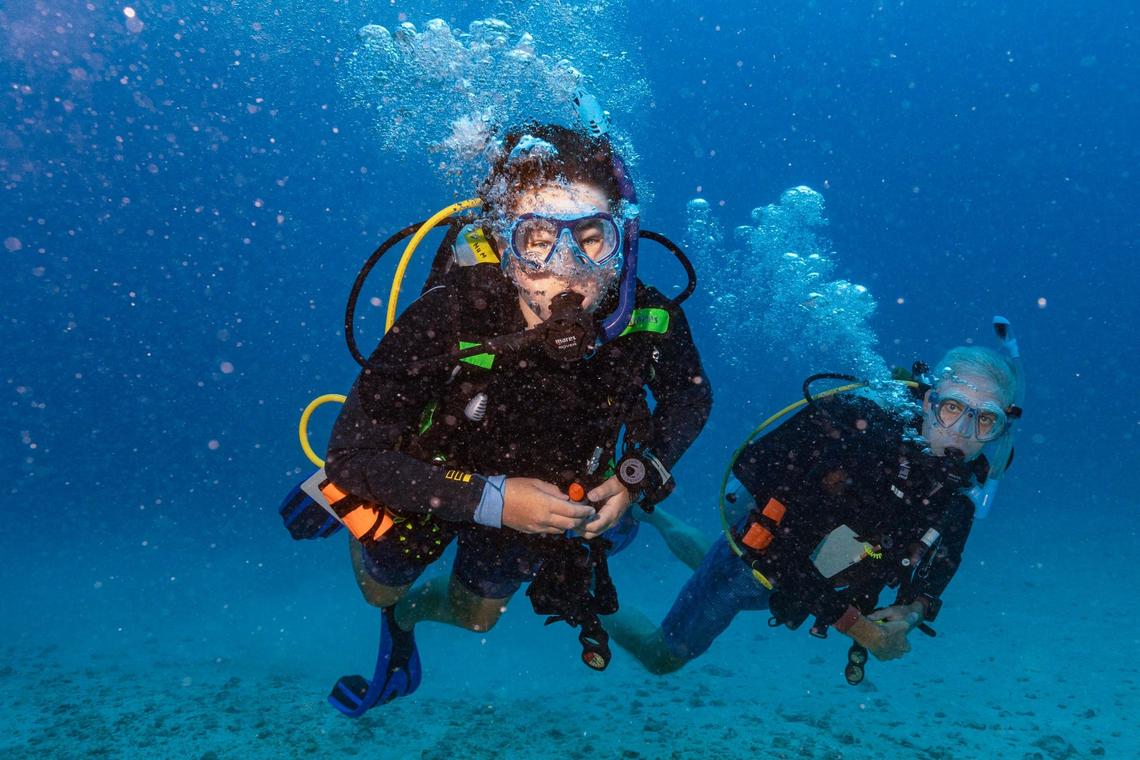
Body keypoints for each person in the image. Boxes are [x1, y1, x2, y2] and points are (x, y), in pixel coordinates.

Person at [318, 123, 712, 715]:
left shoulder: (651, 320)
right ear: (505, 246)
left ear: (623, 239)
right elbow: (349, 455)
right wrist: (493, 499)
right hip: (433, 474)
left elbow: (690, 399)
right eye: (536, 239)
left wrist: (635, 476)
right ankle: (366, 559)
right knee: (379, 585)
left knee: (477, 619)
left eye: (590, 237)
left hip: (545, 494)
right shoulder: (452, 310)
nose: (566, 269)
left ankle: (408, 617)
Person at [606, 342, 1024, 682]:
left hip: (813, 580)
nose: (965, 433)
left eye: (985, 420)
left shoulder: (958, 488)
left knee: (710, 559)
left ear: (1000, 429)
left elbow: (945, 556)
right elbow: (776, 556)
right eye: (953, 408)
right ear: (930, 401)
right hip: (760, 562)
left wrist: (913, 610)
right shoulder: (859, 446)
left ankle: (655, 517)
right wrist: (858, 627)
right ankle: (590, 594)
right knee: (664, 655)